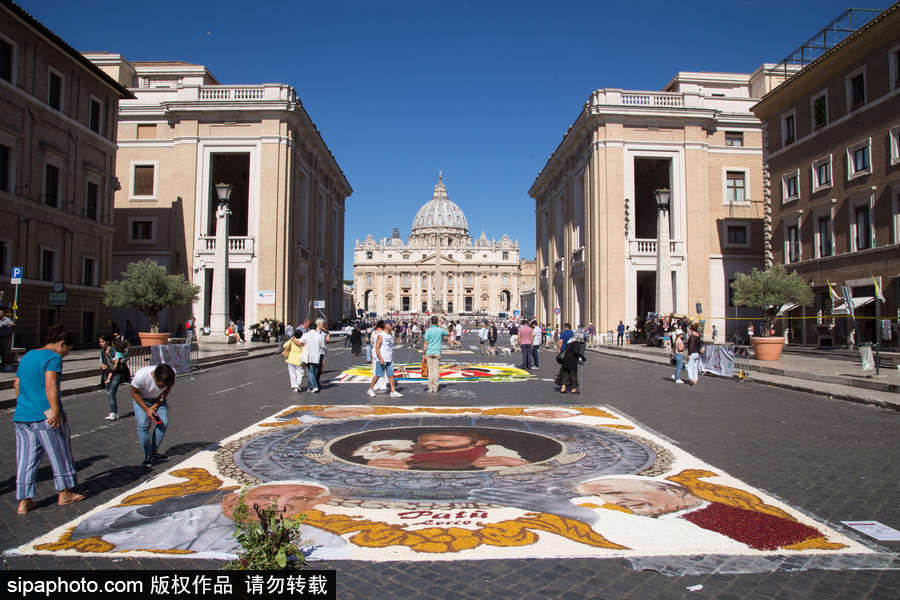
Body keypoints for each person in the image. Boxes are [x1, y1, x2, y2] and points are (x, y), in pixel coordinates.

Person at [68, 481, 348, 559]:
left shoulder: (317, 539)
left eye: (301, 503)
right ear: (233, 498)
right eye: (269, 495)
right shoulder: (176, 508)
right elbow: (94, 526)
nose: (277, 504)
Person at [13, 326, 84, 514]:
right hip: (45, 415)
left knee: (26, 459)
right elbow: (50, 384)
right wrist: (55, 411)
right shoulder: (53, 358)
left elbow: (17, 384)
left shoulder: (28, 356)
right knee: (59, 452)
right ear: (61, 344)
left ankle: (24, 500)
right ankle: (64, 492)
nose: (67, 354)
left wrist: (26, 402)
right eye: (67, 350)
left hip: (22, 415)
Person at [130, 363, 176, 467]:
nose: (162, 387)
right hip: (141, 399)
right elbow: (134, 393)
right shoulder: (141, 376)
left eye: (164, 386)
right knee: (143, 425)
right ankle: (148, 455)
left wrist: (155, 405)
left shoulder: (171, 374)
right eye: (160, 385)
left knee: (163, 423)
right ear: (154, 377)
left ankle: (153, 452)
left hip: (158, 399)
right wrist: (147, 409)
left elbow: (166, 392)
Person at [368, 321, 402, 398]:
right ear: (386, 325)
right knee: (377, 375)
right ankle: (370, 389)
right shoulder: (381, 335)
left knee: (391, 375)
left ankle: (393, 391)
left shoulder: (390, 335)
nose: (392, 326)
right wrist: (380, 358)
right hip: (382, 358)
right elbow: (377, 347)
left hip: (389, 358)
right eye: (390, 325)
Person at [105, 338, 130, 420]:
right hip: (109, 372)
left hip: (117, 373)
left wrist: (118, 363)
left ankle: (113, 412)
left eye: (102, 341)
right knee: (109, 392)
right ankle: (113, 412)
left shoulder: (116, 351)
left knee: (111, 392)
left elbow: (121, 359)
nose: (101, 343)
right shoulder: (103, 351)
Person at [300, 318, 328, 393]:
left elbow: (300, 342)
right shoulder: (319, 336)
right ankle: (310, 386)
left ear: (309, 328)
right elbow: (323, 346)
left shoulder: (306, 335)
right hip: (317, 355)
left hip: (309, 355)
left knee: (310, 371)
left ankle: (314, 386)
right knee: (315, 371)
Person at [422, 316, 447, 394]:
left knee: (430, 370)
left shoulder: (428, 331)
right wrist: (441, 326)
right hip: (437, 352)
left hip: (429, 352)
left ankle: (430, 387)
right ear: (437, 322)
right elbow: (448, 333)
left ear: (431, 322)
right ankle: (435, 387)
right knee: (436, 370)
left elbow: (425, 343)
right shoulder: (440, 330)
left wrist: (423, 353)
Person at [0, 303, 16, 372]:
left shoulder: (7, 320)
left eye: (1, 312)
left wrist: (6, 334)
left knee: (3, 352)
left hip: (4, 340)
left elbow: (12, 327)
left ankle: (4, 364)